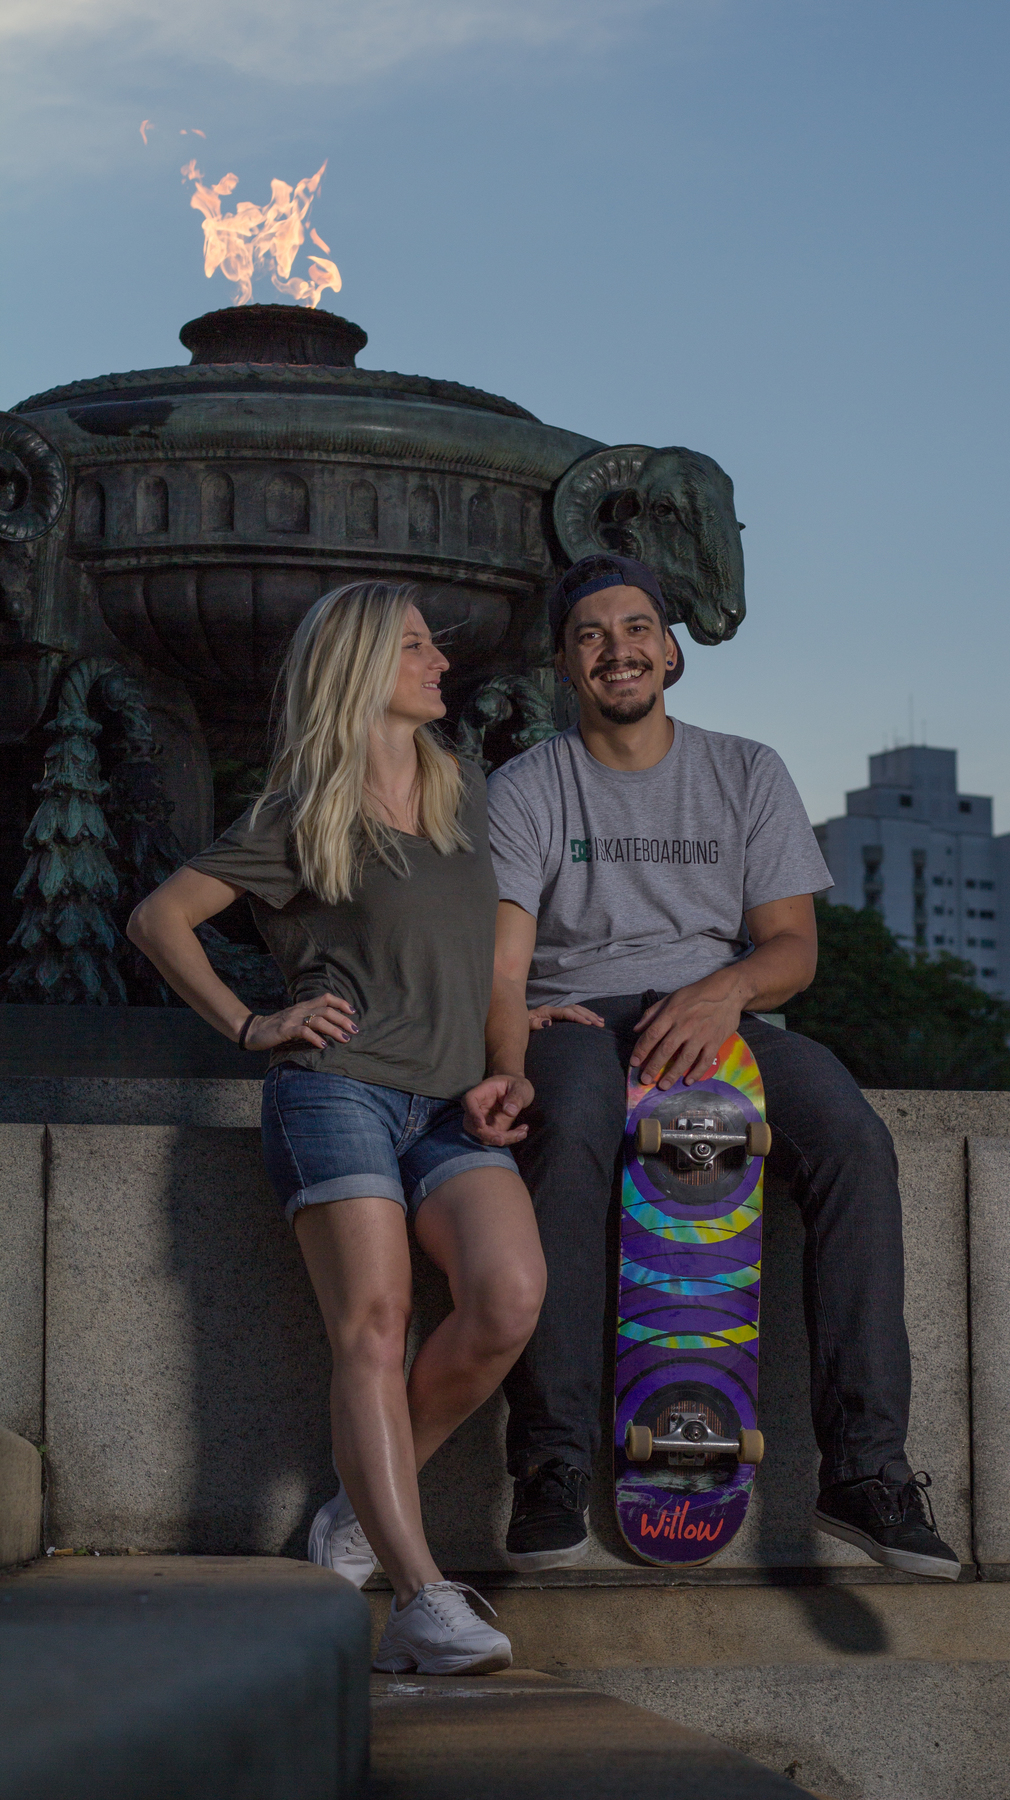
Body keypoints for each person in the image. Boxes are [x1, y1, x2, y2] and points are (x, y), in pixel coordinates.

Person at [484, 552, 961, 1580]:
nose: (617, 650)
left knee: (853, 1141)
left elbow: (792, 949)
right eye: (591, 636)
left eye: (637, 629)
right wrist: (514, 1048)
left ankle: (866, 1471)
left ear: (671, 651)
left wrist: (723, 992)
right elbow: (505, 961)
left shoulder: (745, 771)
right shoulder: (526, 786)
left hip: (722, 1019)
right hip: (579, 1017)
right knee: (566, 1131)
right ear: (565, 664)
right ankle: (552, 1461)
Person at [128, 580, 545, 1674]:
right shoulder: (300, 812)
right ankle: (418, 1596)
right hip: (336, 1091)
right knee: (375, 1325)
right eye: (414, 647)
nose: (439, 663)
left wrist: (508, 1069)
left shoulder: (462, 792)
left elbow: (495, 969)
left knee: (508, 1298)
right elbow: (159, 918)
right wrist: (250, 1021)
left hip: (452, 1105)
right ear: (360, 666)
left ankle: (358, 1513)